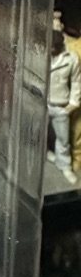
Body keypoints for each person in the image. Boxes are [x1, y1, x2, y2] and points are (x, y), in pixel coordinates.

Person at [48, 22, 81, 186]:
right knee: (37, 134)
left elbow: (76, 82)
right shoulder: (40, 53)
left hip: (61, 104)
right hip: (42, 102)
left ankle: (64, 165)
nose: (51, 50)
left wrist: (73, 103)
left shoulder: (71, 58)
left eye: (54, 47)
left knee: (63, 138)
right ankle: (46, 153)